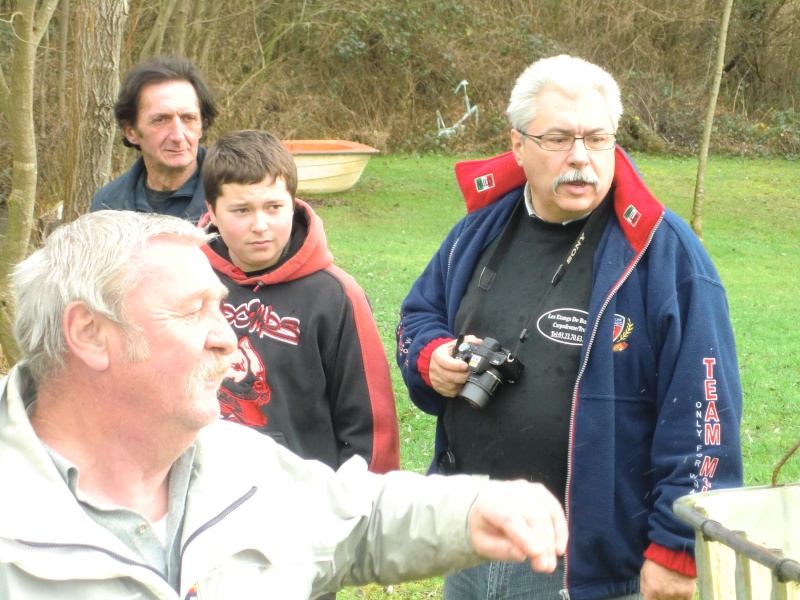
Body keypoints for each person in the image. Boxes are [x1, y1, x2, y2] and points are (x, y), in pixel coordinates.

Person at [0, 210, 568, 599]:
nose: (228, 338)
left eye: (219, 307)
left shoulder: (235, 460)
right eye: (191, 311)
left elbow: (357, 522)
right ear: (90, 334)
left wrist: (472, 510)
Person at [395, 54, 743, 600]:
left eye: (597, 139)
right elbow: (418, 315)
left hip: (589, 566)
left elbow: (705, 410)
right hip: (472, 532)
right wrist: (430, 356)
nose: (580, 157)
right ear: (518, 146)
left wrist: (677, 548)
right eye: (558, 138)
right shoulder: (478, 228)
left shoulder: (663, 255)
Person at [199, 130, 399, 474]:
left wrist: (361, 510)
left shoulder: (336, 295)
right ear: (212, 212)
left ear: (293, 203)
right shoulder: (189, 282)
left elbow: (371, 425)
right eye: (241, 210)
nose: (259, 225)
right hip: (203, 489)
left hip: (304, 502)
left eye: (274, 207)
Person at [90, 55, 217, 223]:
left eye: (188, 118)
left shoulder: (234, 196)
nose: (178, 136)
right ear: (131, 131)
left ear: (202, 126)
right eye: (161, 120)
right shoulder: (108, 205)